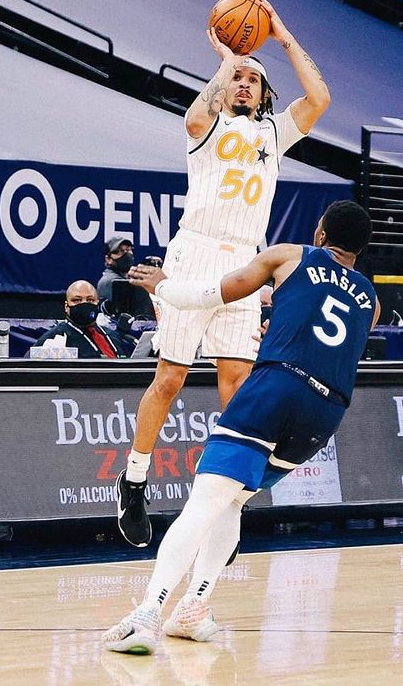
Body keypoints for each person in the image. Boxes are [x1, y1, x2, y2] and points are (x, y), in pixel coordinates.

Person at [101, 200, 379, 654]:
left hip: (277, 387)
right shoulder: (372, 300)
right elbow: (331, 342)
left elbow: (213, 294)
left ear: (321, 235)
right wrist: (281, 330)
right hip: (324, 413)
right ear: (360, 250)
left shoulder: (290, 255)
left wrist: (163, 284)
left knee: (205, 501)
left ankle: (148, 612)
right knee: (234, 499)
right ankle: (194, 607)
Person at [115, 0, 330, 548]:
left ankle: (224, 501)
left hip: (244, 262)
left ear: (264, 93)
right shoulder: (209, 126)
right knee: (171, 377)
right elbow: (193, 117)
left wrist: (282, 36)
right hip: (196, 251)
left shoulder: (274, 134)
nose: (244, 83)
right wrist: (226, 62)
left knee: (236, 382)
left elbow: (320, 98)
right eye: (238, 77)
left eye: (253, 79)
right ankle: (134, 480)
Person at [31, 280, 129, 358]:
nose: (84, 304)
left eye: (90, 300)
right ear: (66, 306)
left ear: (97, 304)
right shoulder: (55, 339)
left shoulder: (113, 336)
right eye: (77, 300)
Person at [97, 235, 157, 320]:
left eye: (128, 250)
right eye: (120, 251)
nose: (126, 254)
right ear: (108, 259)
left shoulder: (128, 278)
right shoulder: (109, 281)